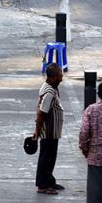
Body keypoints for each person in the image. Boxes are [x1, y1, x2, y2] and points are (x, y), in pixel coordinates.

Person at [32, 63, 64, 195]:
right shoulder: (49, 92)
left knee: (51, 157)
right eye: (59, 76)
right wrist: (37, 131)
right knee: (46, 158)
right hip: (48, 131)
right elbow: (41, 113)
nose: (61, 78)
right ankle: (43, 184)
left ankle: (49, 180)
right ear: (52, 78)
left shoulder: (51, 87)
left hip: (53, 131)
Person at [79, 83, 102, 203]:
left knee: (95, 183)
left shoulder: (91, 110)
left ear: (98, 94)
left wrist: (84, 148)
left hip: (96, 151)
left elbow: (84, 132)